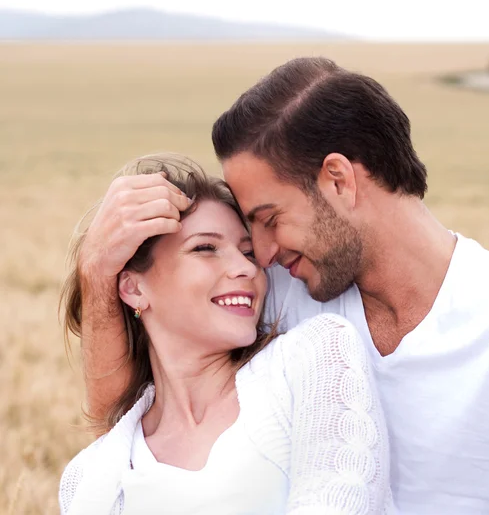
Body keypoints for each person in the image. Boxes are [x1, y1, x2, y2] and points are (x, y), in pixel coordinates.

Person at [74, 57, 489, 515]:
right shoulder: (279, 289)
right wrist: (97, 272)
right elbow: (124, 430)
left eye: (270, 219)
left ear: (339, 180)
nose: (261, 254)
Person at [59, 154, 392, 515]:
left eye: (248, 253)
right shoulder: (89, 477)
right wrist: (94, 270)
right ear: (134, 289)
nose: (245, 268)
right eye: (205, 248)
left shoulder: (312, 359)